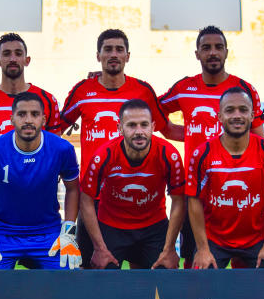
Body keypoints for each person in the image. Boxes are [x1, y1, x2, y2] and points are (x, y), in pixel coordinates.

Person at [59, 29, 175, 268]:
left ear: (127, 56)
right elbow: (55, 130)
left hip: (136, 199)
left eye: (119, 49)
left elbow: (167, 130)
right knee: (92, 270)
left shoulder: (143, 91)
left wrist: (216, 136)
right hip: (93, 199)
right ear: (98, 55)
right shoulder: (83, 90)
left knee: (148, 273)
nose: (114, 54)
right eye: (108, 49)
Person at [187, 87, 264, 299]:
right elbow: (193, 201)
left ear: (253, 115)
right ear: (219, 116)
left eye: (243, 110)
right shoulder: (203, 153)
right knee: (197, 290)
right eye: (230, 110)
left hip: (256, 239)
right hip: (215, 240)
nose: (237, 115)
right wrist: (203, 248)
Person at [158, 25, 264, 269]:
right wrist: (189, 134)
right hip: (196, 192)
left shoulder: (244, 90)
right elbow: (153, 113)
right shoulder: (184, 88)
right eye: (206, 48)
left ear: (227, 52)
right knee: (194, 260)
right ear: (197, 53)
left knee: (244, 263)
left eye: (218, 47)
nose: (213, 52)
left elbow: (260, 141)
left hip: (236, 191)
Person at [0, 92, 80, 269]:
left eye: (34, 114)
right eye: (21, 114)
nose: (28, 120)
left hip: (47, 231)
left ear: (43, 119)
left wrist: (68, 230)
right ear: (12, 119)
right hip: (2, 232)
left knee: (69, 274)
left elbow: (73, 189)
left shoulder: (62, 149)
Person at [80, 99, 186, 269]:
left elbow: (179, 201)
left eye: (144, 125)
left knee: (164, 273)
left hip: (153, 227)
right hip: (112, 226)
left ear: (153, 127)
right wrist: (99, 248)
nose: (139, 132)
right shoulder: (103, 156)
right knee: (103, 275)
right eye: (131, 125)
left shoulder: (169, 155)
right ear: (120, 128)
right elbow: (86, 200)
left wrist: (169, 248)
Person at [0, 33, 62, 218]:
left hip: (38, 201)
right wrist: (5, 176)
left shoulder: (47, 100)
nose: (12, 58)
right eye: (6, 54)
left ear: (27, 60)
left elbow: (54, 151)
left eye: (18, 53)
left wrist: (26, 178)